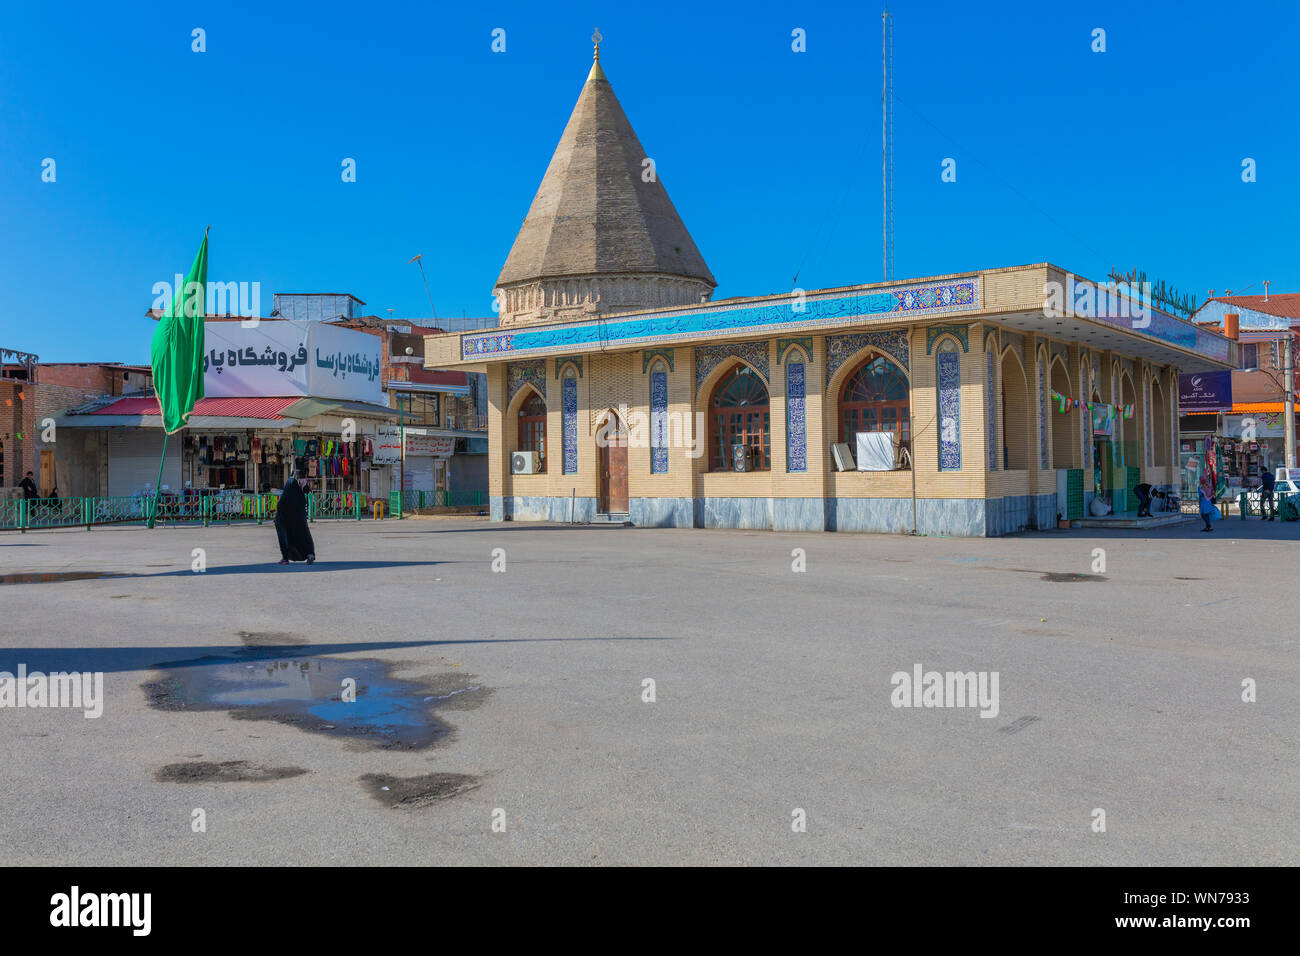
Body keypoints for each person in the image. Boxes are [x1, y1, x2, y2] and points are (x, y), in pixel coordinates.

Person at [273, 467, 316, 566]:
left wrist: (276, 521)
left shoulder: (284, 499)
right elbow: (308, 495)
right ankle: (310, 554)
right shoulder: (300, 498)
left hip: (286, 525)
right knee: (305, 537)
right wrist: (304, 486)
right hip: (300, 524)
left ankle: (285, 558)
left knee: (285, 538)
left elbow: (279, 512)